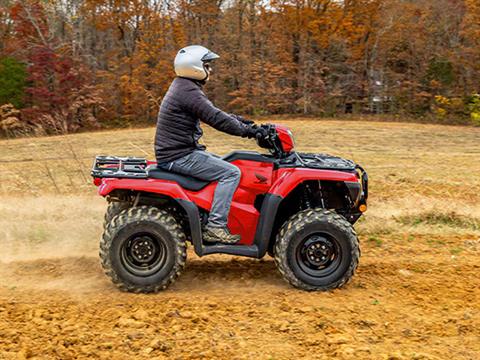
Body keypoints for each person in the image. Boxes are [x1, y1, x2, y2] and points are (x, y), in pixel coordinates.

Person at [154, 45, 266, 245]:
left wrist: (246, 123)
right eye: (207, 65)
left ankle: (209, 212)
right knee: (231, 173)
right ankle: (216, 227)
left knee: (229, 162)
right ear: (195, 67)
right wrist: (248, 132)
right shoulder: (187, 91)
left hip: (180, 152)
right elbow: (215, 118)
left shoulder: (184, 87)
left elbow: (214, 112)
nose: (210, 70)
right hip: (178, 156)